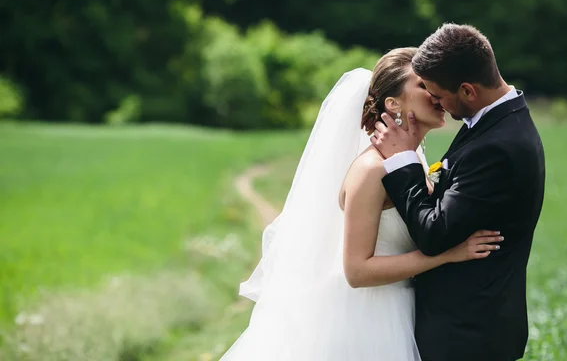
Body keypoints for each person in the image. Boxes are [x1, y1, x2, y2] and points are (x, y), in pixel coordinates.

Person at [220, 46, 503, 361]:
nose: (436, 93)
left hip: (402, 308)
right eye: (423, 85)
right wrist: (447, 256)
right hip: (366, 318)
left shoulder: (410, 161)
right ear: (393, 104)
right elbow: (356, 270)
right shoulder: (371, 170)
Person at [372, 24, 545, 361]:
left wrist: (401, 160)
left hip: (468, 333)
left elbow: (434, 234)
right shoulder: (495, 123)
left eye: (437, 94)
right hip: (466, 327)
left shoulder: (498, 145)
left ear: (467, 91)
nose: (434, 101)